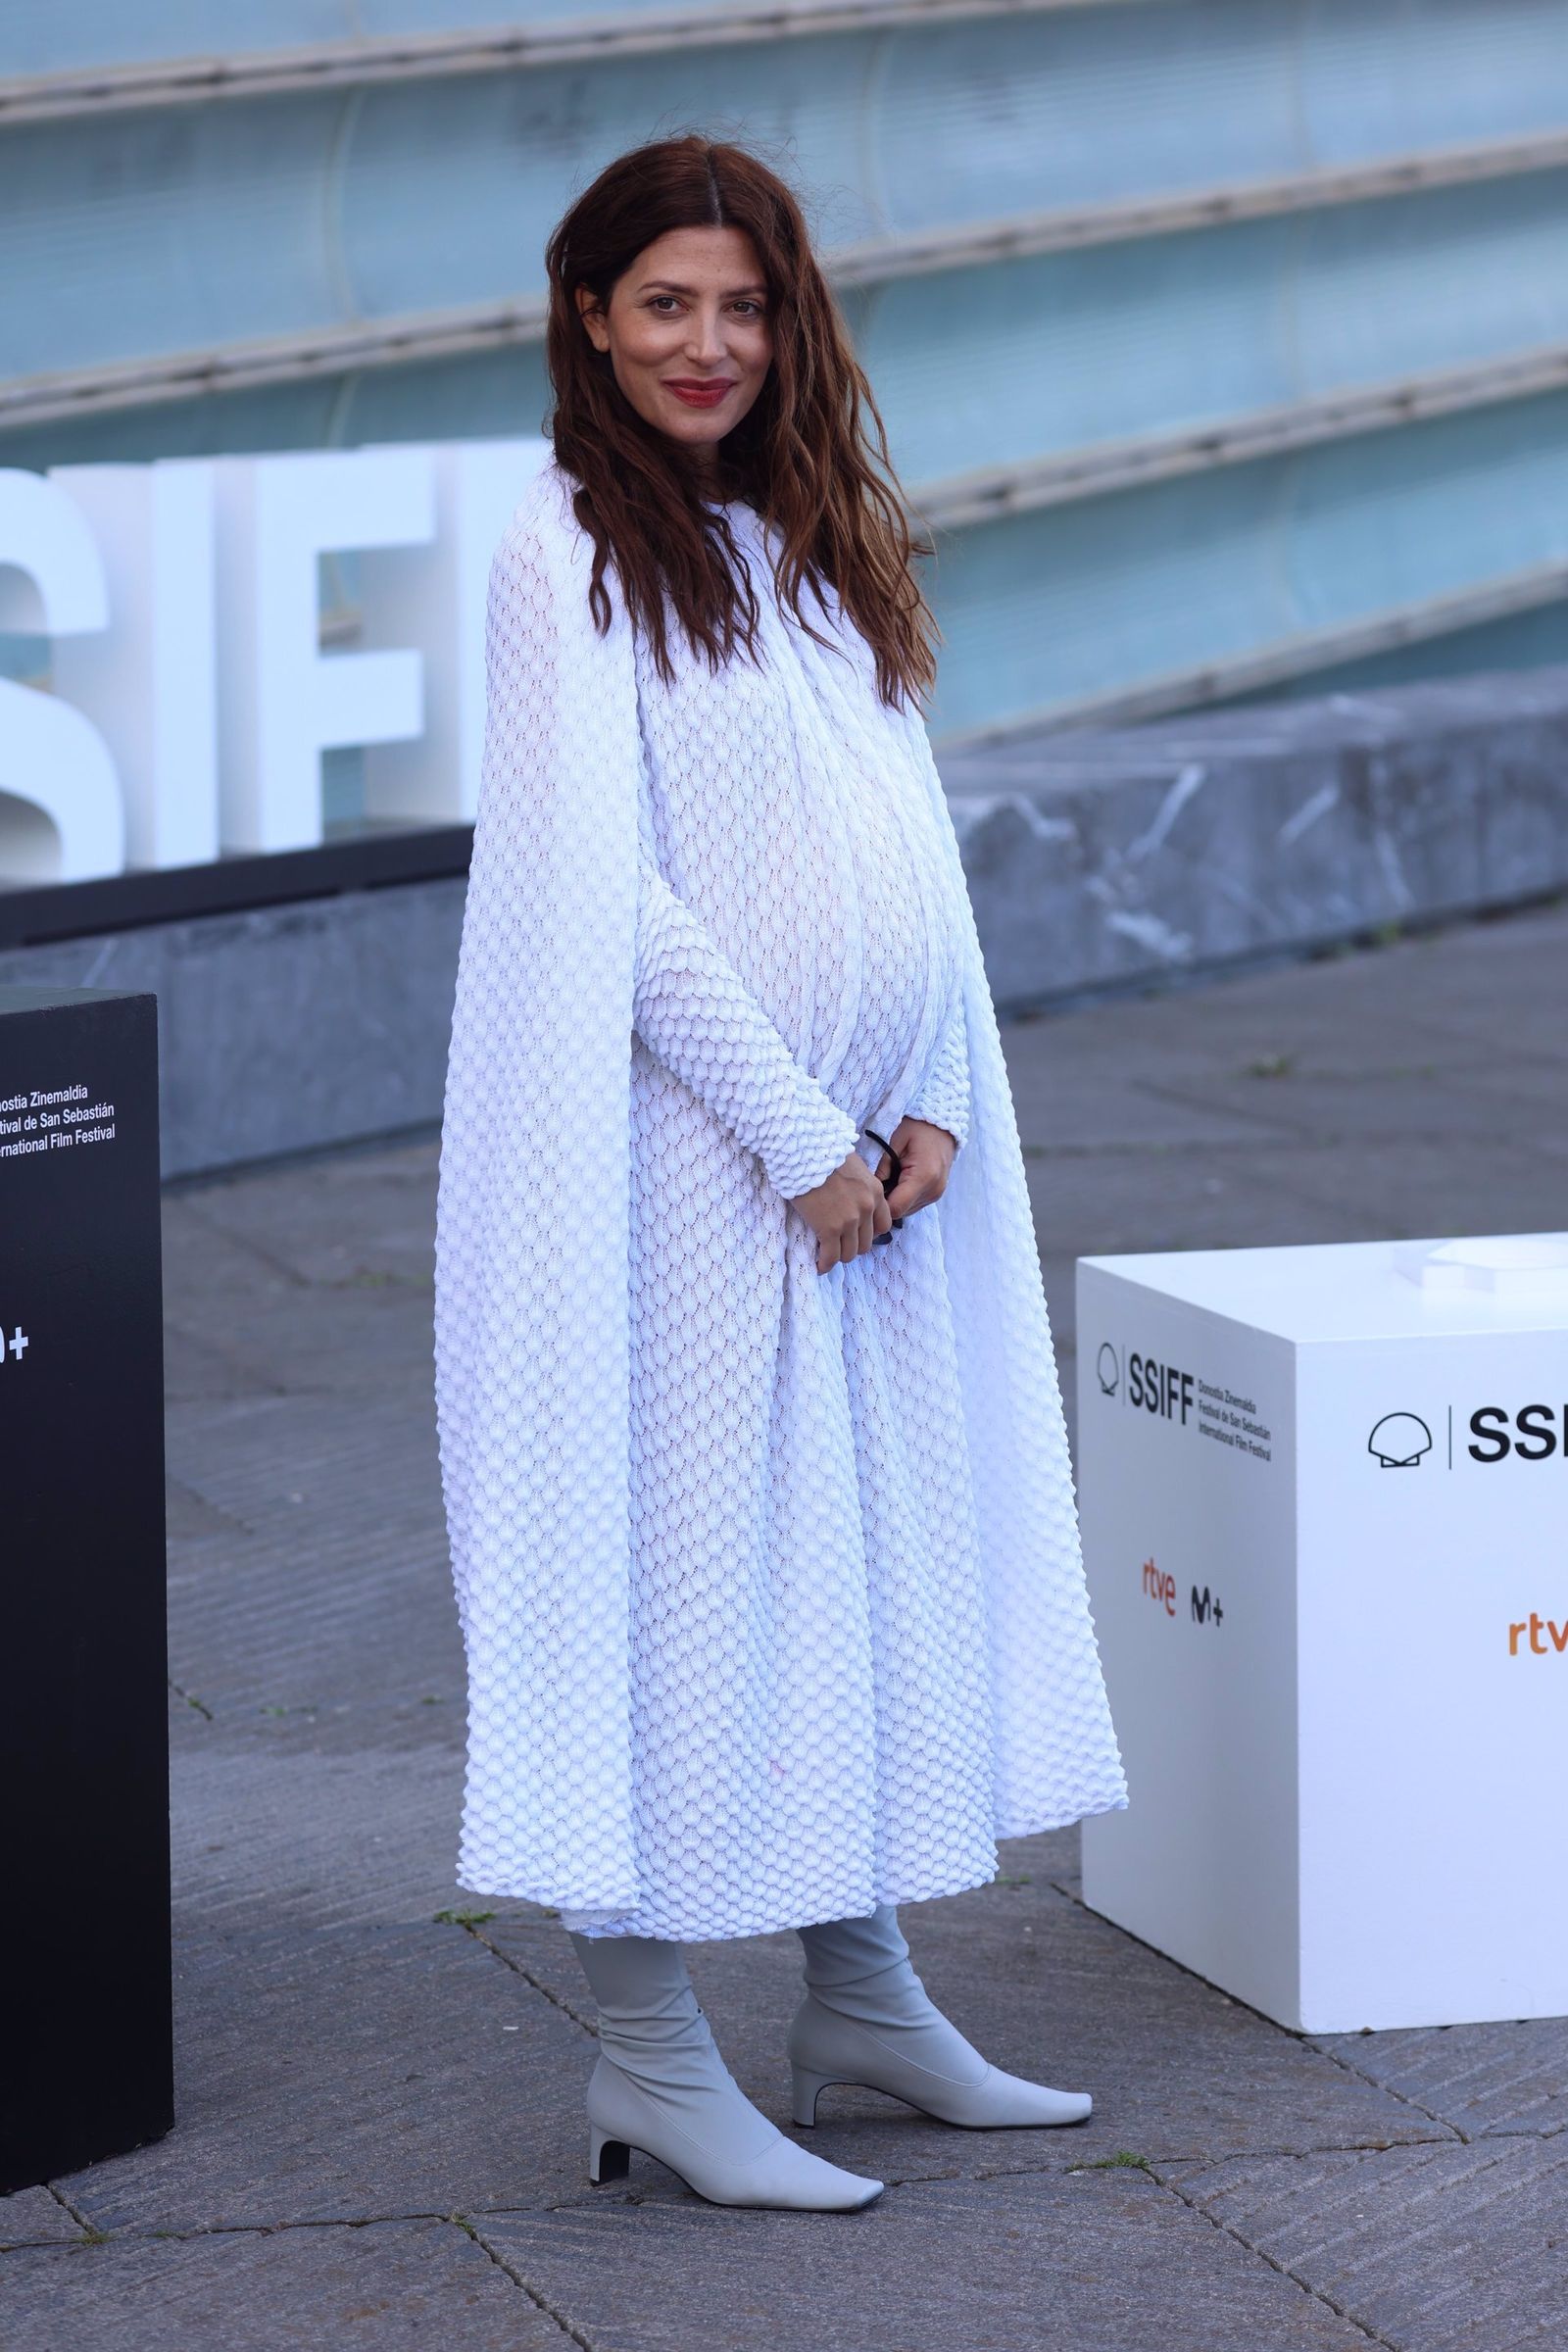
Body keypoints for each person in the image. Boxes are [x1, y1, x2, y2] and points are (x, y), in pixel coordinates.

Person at [432, 133, 1127, 2215]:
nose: (706, 344)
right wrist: (800, 1133)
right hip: (675, 1184)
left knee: (859, 1581)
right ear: (588, 317)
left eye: (739, 305)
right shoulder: (561, 556)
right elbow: (610, 907)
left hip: (868, 1192)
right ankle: (649, 2056)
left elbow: (903, 851)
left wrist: (918, 1100)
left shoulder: (811, 546)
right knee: (649, 1589)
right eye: (664, 304)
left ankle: (865, 2000)